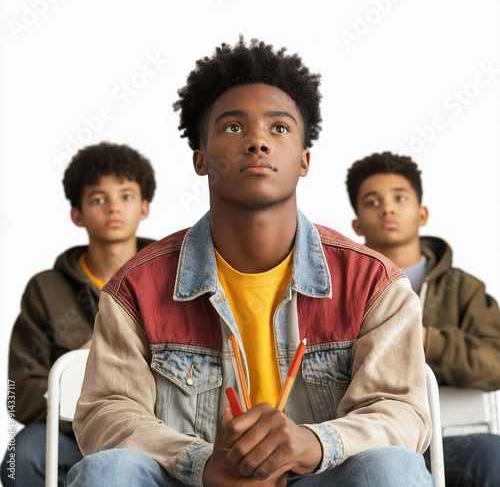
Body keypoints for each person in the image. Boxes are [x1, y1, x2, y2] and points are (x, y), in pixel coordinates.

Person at [66, 38, 434, 487]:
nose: (258, 141)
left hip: (320, 476)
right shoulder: (136, 287)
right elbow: (107, 413)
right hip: (192, 479)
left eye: (278, 128)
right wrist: (201, 463)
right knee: (110, 470)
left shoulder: (372, 282)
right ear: (201, 159)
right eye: (234, 128)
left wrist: (313, 444)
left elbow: (402, 411)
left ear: (304, 160)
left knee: (391, 467)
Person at [1, 141, 156, 487]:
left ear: (144, 207)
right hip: (72, 435)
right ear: (77, 213)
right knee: (22, 456)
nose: (113, 208)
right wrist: (77, 379)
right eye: (99, 199)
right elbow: (19, 393)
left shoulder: (171, 276)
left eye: (126, 196)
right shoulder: (45, 289)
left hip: (154, 431)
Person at [346, 150, 500, 486]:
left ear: (421, 213)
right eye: (372, 202)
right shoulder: (345, 290)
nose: (387, 208)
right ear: (357, 224)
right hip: (371, 444)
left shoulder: (463, 289)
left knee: (491, 454)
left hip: (444, 443)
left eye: (399, 198)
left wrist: (428, 340)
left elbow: (495, 364)